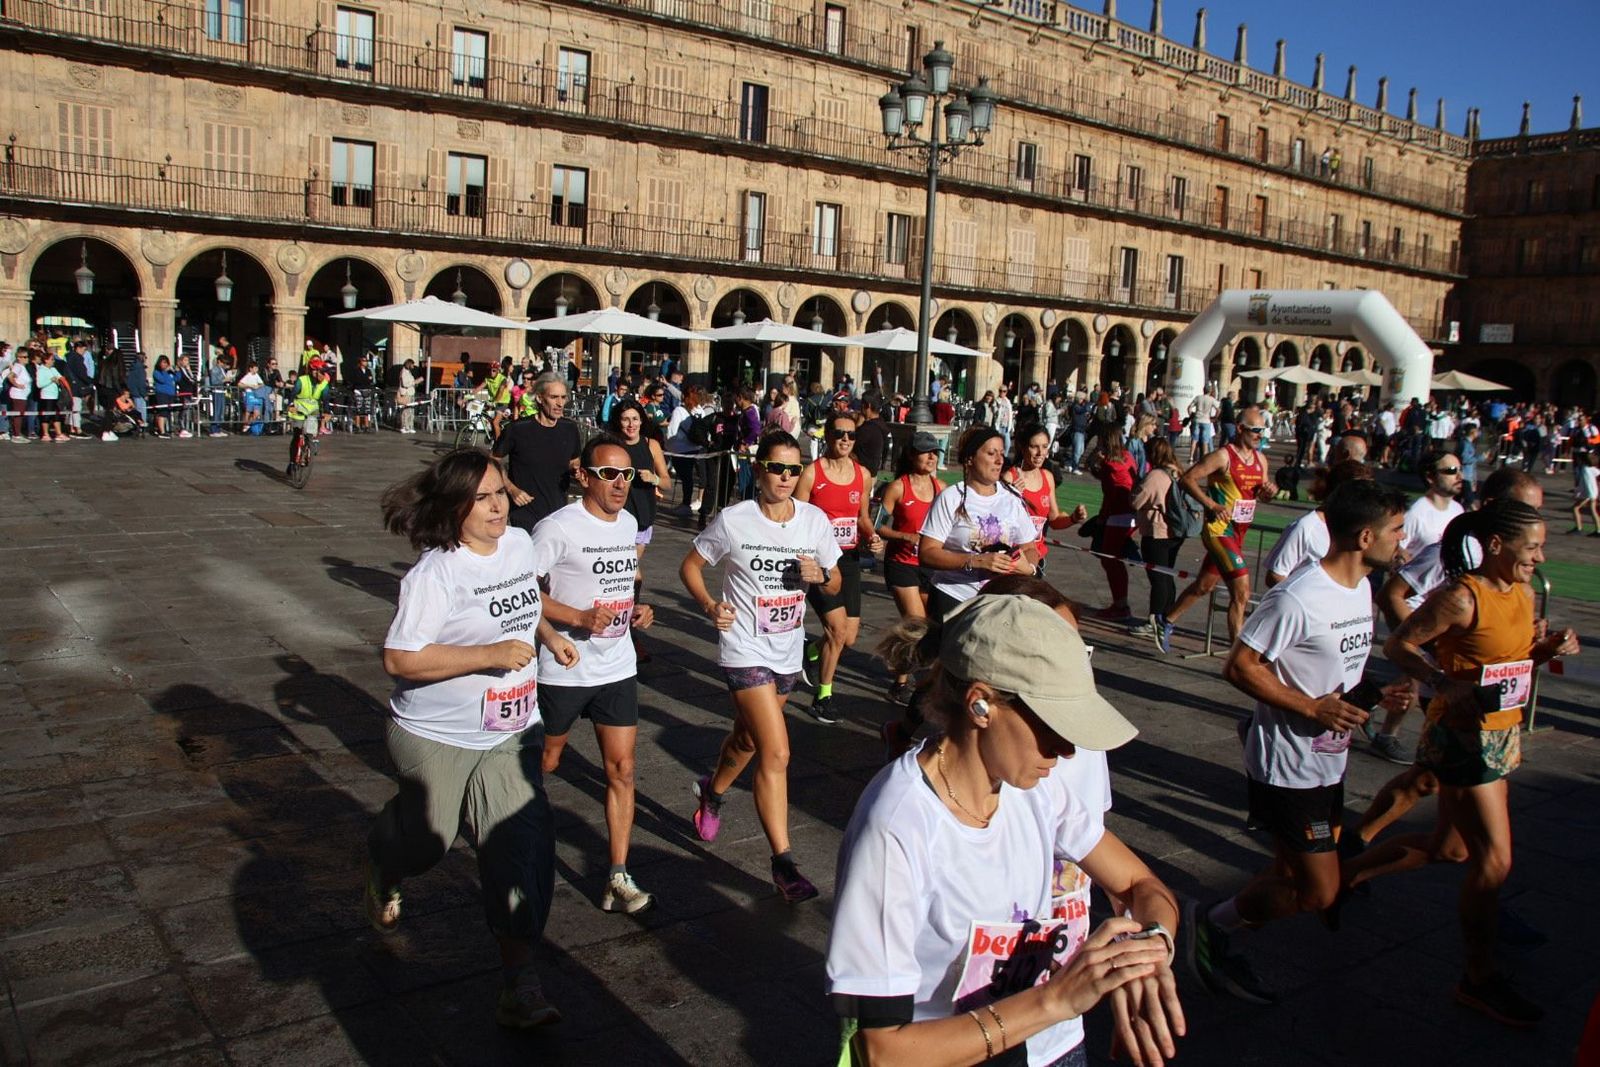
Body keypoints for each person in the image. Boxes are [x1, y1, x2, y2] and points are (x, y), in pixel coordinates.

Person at [829, 594, 1183, 1067]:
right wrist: (1055, 1001)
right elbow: (881, 1051)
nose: (1067, 750)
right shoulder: (896, 828)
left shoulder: (1032, 787)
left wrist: (1151, 946)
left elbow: (1141, 885)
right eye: (1052, 724)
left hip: (1048, 1049)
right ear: (981, 705)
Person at [1346, 499, 1580, 1027]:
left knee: (1449, 850)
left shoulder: (1518, 592)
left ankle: (1348, 877)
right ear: (1496, 545)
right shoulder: (1460, 595)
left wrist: (1548, 649)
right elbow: (1400, 646)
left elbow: (1509, 663)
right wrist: (1439, 681)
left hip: (1502, 734)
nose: (1539, 558)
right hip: (1462, 738)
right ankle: (1478, 977)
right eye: (1533, 547)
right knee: (1494, 862)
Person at [368, 448, 578, 1030]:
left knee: (521, 853)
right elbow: (399, 658)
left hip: (511, 732)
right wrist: (486, 655)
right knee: (428, 843)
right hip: (436, 732)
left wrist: (549, 634)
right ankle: (385, 859)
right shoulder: (436, 574)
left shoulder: (516, 545)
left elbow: (523, 599)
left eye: (500, 493)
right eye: (482, 497)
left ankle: (520, 985)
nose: (496, 506)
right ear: (455, 506)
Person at [1186, 480, 1409, 1005]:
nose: (1404, 541)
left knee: (1295, 871)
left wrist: (1376, 697)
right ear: (1364, 536)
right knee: (1318, 890)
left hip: (1329, 758)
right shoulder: (1299, 596)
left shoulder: (1362, 587)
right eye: (1397, 531)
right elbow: (1240, 666)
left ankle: (1219, 922)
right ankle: (1211, 925)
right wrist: (1312, 709)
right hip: (1288, 765)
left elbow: (1331, 677)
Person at [680, 431, 842, 902]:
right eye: (777, 468)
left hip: (787, 649)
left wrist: (823, 576)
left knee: (749, 739)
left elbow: (832, 586)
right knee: (777, 751)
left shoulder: (814, 521)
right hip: (743, 647)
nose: (787, 478)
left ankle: (712, 792)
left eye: (795, 470)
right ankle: (784, 863)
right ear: (758, 468)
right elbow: (690, 566)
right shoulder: (735, 520)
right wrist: (711, 605)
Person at [530, 434, 658, 914]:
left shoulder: (627, 522)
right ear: (584, 475)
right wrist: (576, 619)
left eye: (626, 474)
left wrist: (639, 612)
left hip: (617, 665)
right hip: (566, 667)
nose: (620, 484)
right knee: (546, 763)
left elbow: (625, 582)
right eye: (609, 474)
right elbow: (523, 588)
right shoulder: (557, 528)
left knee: (622, 770)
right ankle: (516, 838)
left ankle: (618, 875)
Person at [1153, 405, 1273, 648]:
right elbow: (1187, 479)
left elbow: (1258, 494)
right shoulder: (1223, 456)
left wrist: (1268, 492)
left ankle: (1165, 620)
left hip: (1239, 531)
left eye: (1263, 430)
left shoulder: (1261, 459)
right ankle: (1237, 657)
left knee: (1204, 585)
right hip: (1219, 530)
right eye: (1256, 430)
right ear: (1240, 429)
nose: (1261, 435)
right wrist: (1211, 504)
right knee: (1241, 591)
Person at [795, 411, 881, 725]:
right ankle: (824, 696)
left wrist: (872, 537)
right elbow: (797, 517)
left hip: (849, 558)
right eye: (839, 433)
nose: (845, 439)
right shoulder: (811, 474)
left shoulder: (863, 475)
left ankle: (812, 652)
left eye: (851, 435)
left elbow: (862, 517)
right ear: (828, 436)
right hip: (820, 561)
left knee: (850, 636)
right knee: (838, 629)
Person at [917, 426, 1040, 623]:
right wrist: (976, 560)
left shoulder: (1011, 498)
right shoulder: (951, 498)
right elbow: (927, 552)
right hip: (954, 596)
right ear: (970, 459)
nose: (1000, 460)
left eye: (1002, 453)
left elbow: (1029, 547)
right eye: (991, 454)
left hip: (998, 600)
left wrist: (1028, 567)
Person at [874, 431, 941, 709]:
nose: (931, 457)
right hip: (901, 564)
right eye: (925, 452)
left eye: (935, 452)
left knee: (931, 626)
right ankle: (901, 684)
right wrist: (905, 536)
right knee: (916, 622)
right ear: (912, 455)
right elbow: (879, 524)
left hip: (930, 566)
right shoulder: (898, 487)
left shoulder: (942, 488)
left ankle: (911, 676)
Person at [608, 397, 671, 663]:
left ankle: (627, 633)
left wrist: (654, 479)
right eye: (625, 419)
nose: (631, 424)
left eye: (635, 419)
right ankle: (625, 633)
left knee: (628, 571)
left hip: (642, 518)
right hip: (616, 517)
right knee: (627, 572)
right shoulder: (612, 445)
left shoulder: (651, 445)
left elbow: (667, 482)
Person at [1261, 460, 1376, 588]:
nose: (1368, 500)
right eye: (1362, 493)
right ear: (1341, 491)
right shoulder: (1306, 527)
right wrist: (1307, 601)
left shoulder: (1358, 529)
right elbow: (1275, 576)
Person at [494, 374, 582, 531]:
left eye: (563, 397)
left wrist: (576, 470)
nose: (560, 403)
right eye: (554, 397)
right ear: (540, 399)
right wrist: (511, 489)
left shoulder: (570, 429)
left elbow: (574, 461)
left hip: (558, 513)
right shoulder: (518, 429)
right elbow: (492, 462)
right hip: (525, 511)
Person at [1131, 436, 1191, 649]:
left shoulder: (1156, 475)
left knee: (1157, 578)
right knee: (1167, 575)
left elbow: (1137, 500)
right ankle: (1167, 616)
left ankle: (1154, 620)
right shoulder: (1178, 471)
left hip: (1157, 531)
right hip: (1176, 532)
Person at [1003, 427, 1088, 579]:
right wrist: (1011, 496)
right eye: (1034, 447)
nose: (1040, 453)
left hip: (1038, 558)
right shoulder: (1010, 478)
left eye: (1044, 447)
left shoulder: (1047, 477)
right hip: (1014, 559)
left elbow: (1054, 520)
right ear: (1023, 448)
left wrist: (1074, 518)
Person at [1085, 426, 1140, 620]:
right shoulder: (1126, 456)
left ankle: (1120, 604)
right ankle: (1120, 602)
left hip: (1116, 515)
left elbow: (1111, 492)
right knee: (1112, 559)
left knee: (1109, 560)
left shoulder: (1109, 464)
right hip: (1130, 513)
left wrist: (1102, 518)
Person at [1401, 451, 1465, 554]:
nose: (1460, 476)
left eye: (1460, 470)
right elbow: (1395, 551)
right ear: (1430, 477)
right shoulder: (1415, 513)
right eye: (1451, 470)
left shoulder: (1458, 509)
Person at [286, 359, 330, 472]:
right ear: (312, 371)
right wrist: (290, 405)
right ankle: (292, 461)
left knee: (310, 433)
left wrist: (326, 412)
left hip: (312, 411)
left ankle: (306, 451)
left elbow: (325, 400)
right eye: (317, 371)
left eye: (322, 371)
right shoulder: (302, 380)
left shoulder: (324, 384)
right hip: (299, 409)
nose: (320, 374)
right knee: (297, 435)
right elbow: (293, 393)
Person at [852, 394, 889, 476]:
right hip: (872, 472)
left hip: (862, 474)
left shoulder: (868, 428)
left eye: (861, 404)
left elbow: (850, 442)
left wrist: (857, 425)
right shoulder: (881, 424)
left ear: (868, 405)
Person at [1188, 384, 1220, 463]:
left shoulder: (1198, 398)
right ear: (1210, 391)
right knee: (1205, 440)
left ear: (1203, 390)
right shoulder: (1211, 399)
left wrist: (1191, 415)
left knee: (1194, 439)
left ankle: (1191, 457)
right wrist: (1215, 418)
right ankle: (1204, 458)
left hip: (1197, 419)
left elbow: (1189, 407)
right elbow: (1218, 409)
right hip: (1206, 421)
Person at [1569, 452, 1599, 535]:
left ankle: (1578, 528)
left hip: (1588, 494)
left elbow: (1585, 483)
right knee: (1593, 511)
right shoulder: (1592, 468)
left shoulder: (1584, 469)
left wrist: (1578, 493)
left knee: (1575, 508)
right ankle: (1598, 530)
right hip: (1593, 492)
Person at [7, 346, 32, 443]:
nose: (27, 359)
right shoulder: (18, 366)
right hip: (18, 395)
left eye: (27, 356)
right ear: (19, 357)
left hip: (23, 395)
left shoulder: (23, 367)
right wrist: (17, 385)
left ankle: (17, 433)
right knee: (18, 415)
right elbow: (10, 376)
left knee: (20, 415)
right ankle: (16, 435)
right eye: (24, 357)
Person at [397, 358, 419, 434]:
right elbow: (405, 384)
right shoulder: (404, 372)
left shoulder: (409, 372)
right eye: (412, 364)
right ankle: (404, 426)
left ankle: (410, 426)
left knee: (411, 410)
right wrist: (415, 382)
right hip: (406, 393)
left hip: (411, 393)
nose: (413, 366)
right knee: (405, 411)